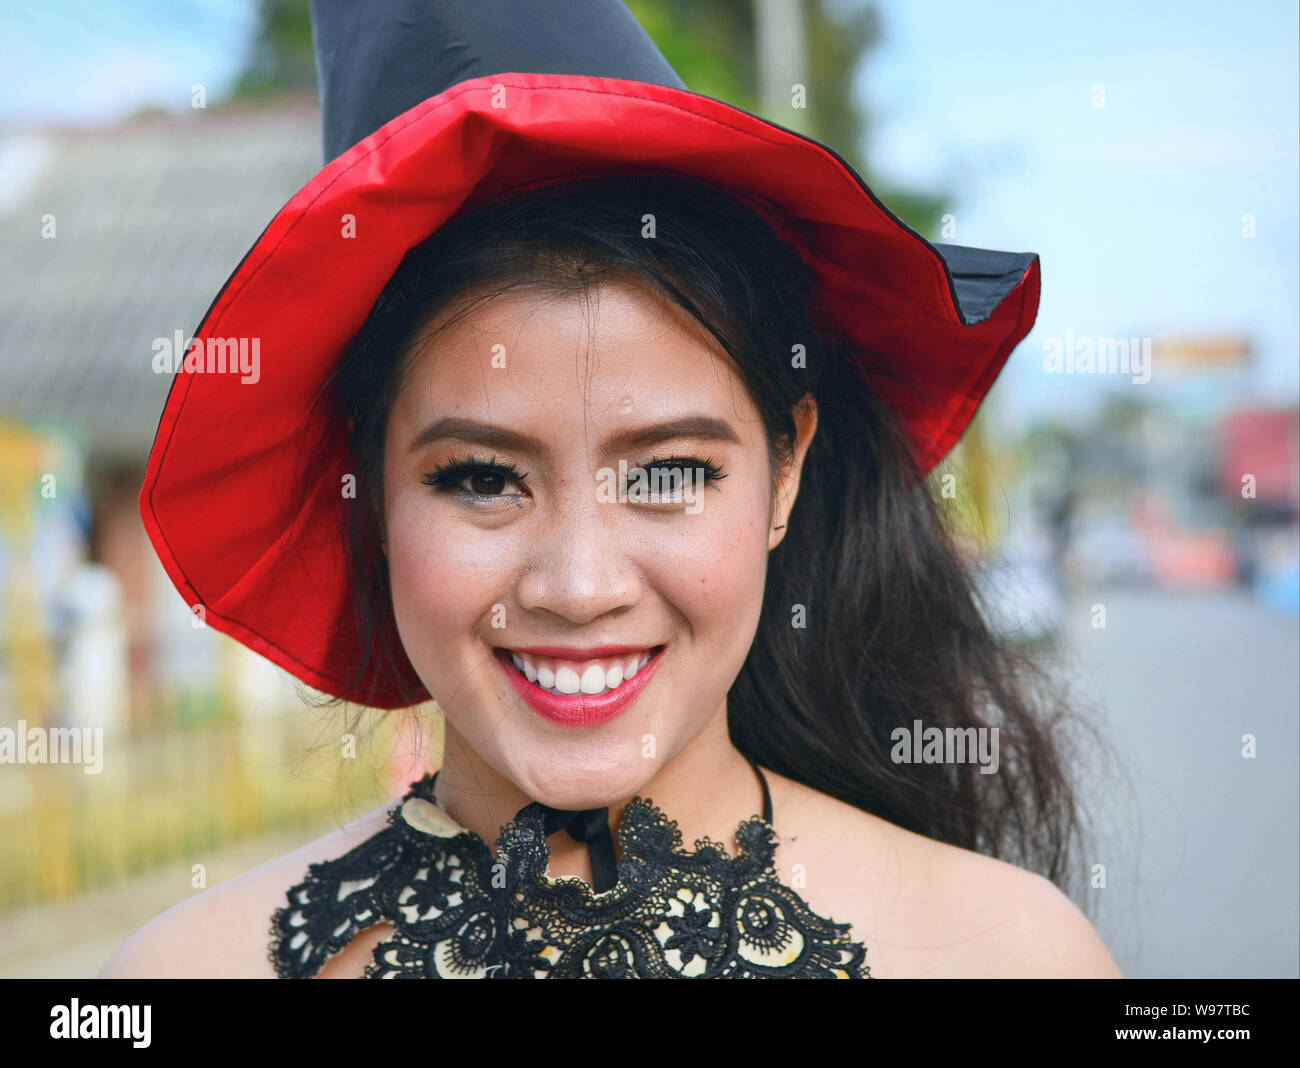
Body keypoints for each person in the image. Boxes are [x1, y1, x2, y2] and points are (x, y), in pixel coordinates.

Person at [100, 0, 1120, 978]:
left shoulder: (1008, 957)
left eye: (669, 473)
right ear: (366, 491)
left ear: (785, 470)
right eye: (482, 478)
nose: (578, 587)